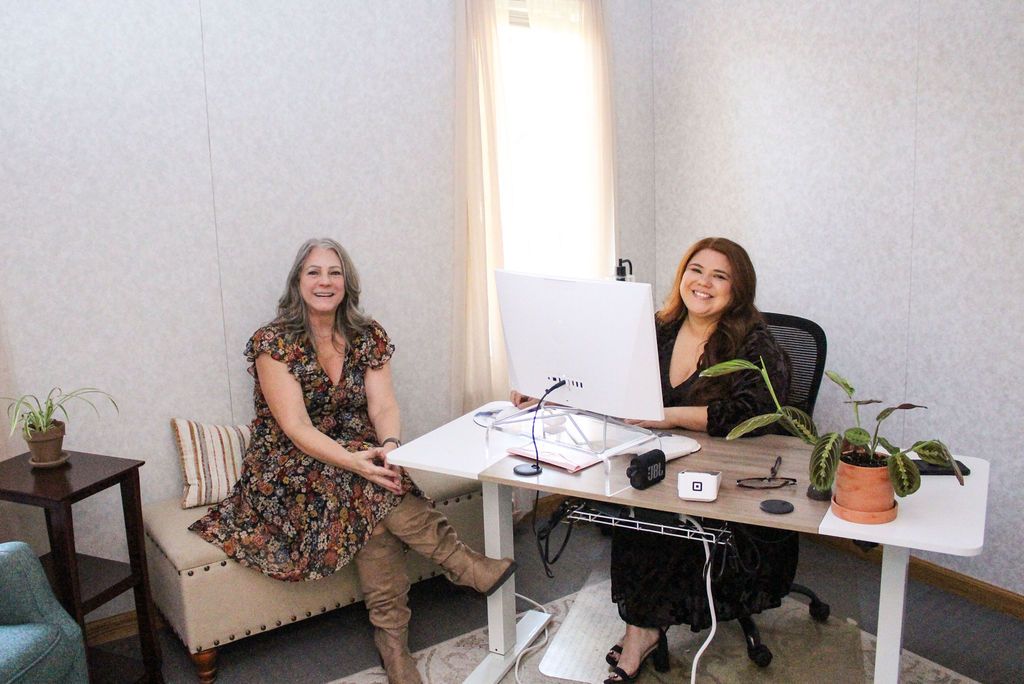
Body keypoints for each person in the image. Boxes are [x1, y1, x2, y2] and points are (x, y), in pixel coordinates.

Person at [190, 238, 514, 684]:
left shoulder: (367, 336)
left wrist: (390, 445)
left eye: (334, 272)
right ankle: (463, 568)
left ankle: (395, 647)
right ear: (297, 282)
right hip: (287, 465)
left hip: (356, 450)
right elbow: (296, 428)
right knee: (369, 488)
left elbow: (383, 407)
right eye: (314, 272)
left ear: (347, 282)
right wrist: (358, 463)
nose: (325, 281)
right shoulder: (273, 342)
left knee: (374, 496)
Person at [512, 237, 792, 684]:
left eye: (720, 276)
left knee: (657, 516)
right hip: (658, 462)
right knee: (642, 506)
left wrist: (666, 415)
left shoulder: (755, 343)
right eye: (695, 270)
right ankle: (641, 628)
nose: (703, 283)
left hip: (729, 481)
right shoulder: (658, 328)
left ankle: (640, 634)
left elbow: (756, 414)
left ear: (738, 290)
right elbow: (599, 373)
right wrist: (544, 388)